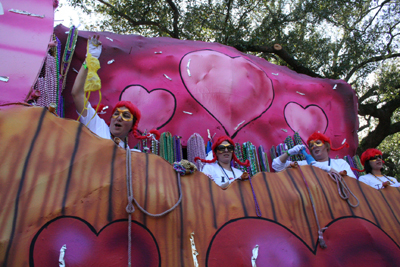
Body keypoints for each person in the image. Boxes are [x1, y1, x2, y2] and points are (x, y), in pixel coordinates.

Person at [71, 35, 159, 150]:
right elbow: (77, 94)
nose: (119, 118)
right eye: (116, 114)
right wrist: (90, 59)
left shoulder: (133, 155)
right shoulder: (98, 126)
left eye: (126, 116)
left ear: (132, 126)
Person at [272, 132, 356, 178]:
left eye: (318, 143)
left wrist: (326, 168)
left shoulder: (340, 163)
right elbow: (277, 166)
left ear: (326, 146)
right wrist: (289, 152)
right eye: (311, 145)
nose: (314, 146)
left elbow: (352, 183)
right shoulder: (304, 164)